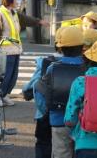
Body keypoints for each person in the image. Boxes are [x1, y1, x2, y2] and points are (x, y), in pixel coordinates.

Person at [37, 26, 85, 158]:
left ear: (61, 48)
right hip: (83, 122)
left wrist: (46, 111)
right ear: (82, 47)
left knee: (61, 153)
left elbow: (42, 93)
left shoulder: (52, 68)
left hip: (58, 120)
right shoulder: (88, 69)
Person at [22, 27, 64, 158]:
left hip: (46, 115)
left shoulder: (45, 62)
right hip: (71, 119)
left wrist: (26, 91)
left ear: (57, 44)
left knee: (43, 144)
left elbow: (31, 86)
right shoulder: (83, 65)